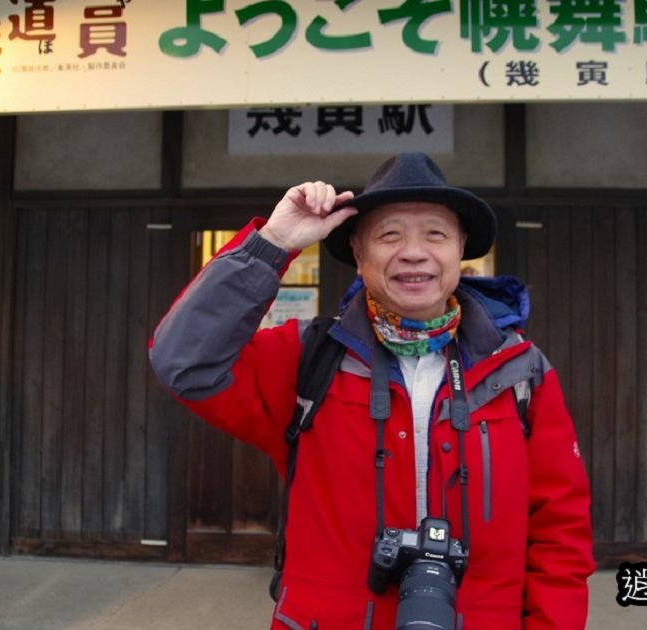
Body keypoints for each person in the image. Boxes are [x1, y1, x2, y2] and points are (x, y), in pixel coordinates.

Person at [149, 153, 594, 629]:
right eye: (390, 235)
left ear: (461, 249)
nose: (414, 251)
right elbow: (184, 362)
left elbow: (560, 533)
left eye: (436, 234)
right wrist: (272, 244)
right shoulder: (308, 358)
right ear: (359, 255)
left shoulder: (519, 371)